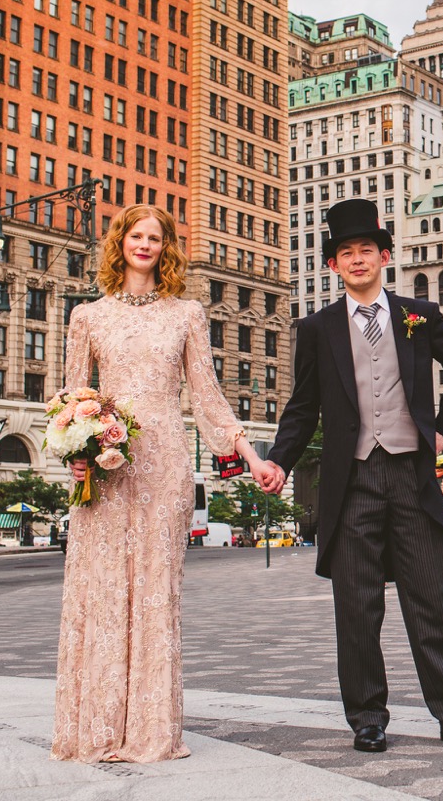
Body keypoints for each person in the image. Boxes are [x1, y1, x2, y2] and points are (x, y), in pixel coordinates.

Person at [253, 198, 443, 754]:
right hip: (353, 482)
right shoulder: (316, 329)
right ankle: (367, 718)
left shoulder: (420, 315)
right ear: (332, 266)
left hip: (413, 479)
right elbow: (303, 406)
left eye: (367, 249)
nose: (358, 259)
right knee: (357, 609)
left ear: (385, 256)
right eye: (346, 252)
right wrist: (279, 461)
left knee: (429, 602)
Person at [50, 205, 280, 764]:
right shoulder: (87, 317)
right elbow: (71, 400)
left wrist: (251, 456)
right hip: (104, 470)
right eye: (137, 235)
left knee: (156, 595)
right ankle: (96, 729)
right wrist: (74, 458)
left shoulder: (187, 315)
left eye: (156, 237)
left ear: (167, 248)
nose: (145, 245)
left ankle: (151, 731)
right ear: (120, 242)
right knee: (101, 595)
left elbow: (206, 396)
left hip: (164, 466)